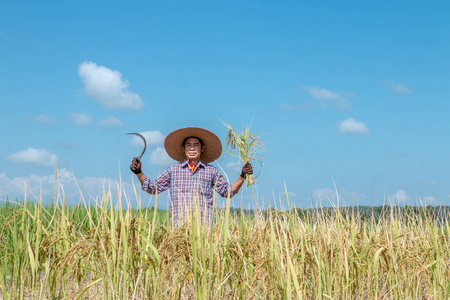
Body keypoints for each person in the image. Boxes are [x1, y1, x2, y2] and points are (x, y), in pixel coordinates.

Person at [130, 127, 253, 226]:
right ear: (183, 148)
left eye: (196, 145)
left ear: (202, 148)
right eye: (188, 145)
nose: (192, 148)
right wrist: (139, 172)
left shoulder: (211, 171)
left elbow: (228, 191)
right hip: (179, 229)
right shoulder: (173, 170)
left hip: (205, 228)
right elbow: (153, 188)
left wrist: (242, 176)